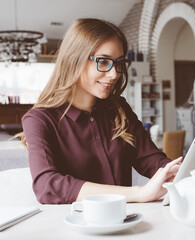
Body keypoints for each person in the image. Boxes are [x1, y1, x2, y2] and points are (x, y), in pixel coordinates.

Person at [19, 18, 182, 204]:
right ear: (75, 60)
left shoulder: (119, 110)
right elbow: (47, 186)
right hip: (71, 229)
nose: (114, 74)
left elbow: (152, 161)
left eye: (119, 63)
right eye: (103, 62)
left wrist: (186, 172)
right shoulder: (39, 119)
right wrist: (138, 193)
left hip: (125, 225)